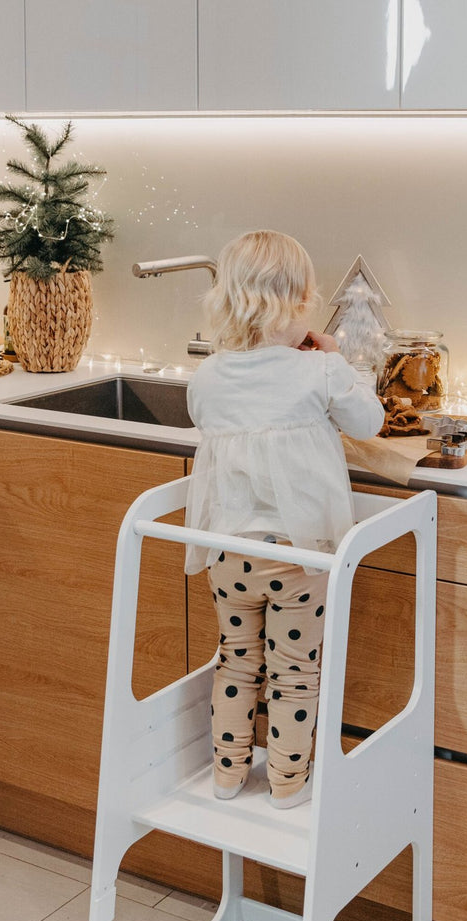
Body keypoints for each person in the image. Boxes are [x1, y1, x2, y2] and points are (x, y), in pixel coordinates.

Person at [183, 230, 383, 809]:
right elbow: (367, 423)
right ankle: (288, 786)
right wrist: (336, 359)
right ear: (296, 304)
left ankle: (227, 776)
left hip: (226, 552)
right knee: (294, 673)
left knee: (237, 662)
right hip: (296, 557)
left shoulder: (208, 378)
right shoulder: (317, 372)